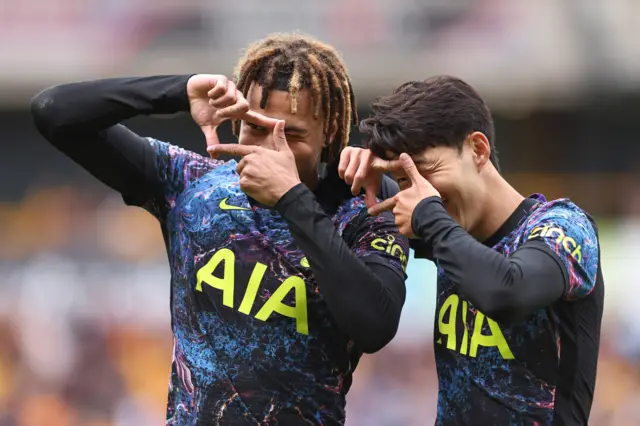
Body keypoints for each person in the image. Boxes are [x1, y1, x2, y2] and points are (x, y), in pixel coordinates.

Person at [30, 33, 409, 426]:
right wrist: (178, 90)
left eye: (291, 135)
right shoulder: (190, 184)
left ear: (330, 133)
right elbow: (53, 112)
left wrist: (291, 199)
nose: (268, 149)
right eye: (255, 127)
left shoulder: (363, 212)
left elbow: (375, 326)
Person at [338, 76, 604, 425]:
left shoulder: (564, 228)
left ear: (478, 149)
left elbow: (508, 291)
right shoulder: (449, 228)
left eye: (427, 170)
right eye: (405, 180)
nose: (417, 193)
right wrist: (355, 167)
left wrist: (428, 217)